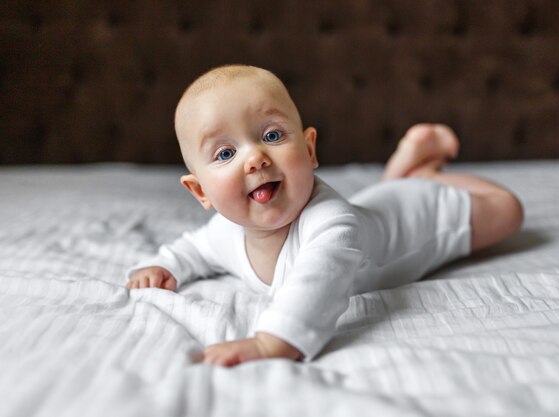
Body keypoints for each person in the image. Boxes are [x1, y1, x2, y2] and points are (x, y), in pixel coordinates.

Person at [126, 64, 524, 366]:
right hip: (381, 202)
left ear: (310, 149)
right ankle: (408, 170)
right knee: (386, 195)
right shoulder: (226, 232)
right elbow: (194, 248)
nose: (255, 158)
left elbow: (317, 288)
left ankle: (429, 177)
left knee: (509, 210)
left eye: (272, 135)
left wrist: (271, 341)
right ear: (200, 191)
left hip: (430, 213)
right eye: (226, 154)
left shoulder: (334, 225)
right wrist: (164, 267)